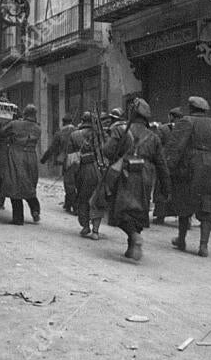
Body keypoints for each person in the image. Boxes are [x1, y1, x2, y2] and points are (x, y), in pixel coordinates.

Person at [100, 98, 171, 260]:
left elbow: (107, 151)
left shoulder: (121, 131)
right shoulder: (154, 137)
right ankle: (132, 245)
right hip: (146, 175)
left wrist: (118, 153)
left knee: (121, 210)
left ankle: (134, 236)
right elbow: (161, 164)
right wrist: (166, 188)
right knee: (139, 211)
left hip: (125, 172)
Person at [165, 96, 211, 257]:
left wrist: (168, 168)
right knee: (207, 207)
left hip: (191, 167)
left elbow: (175, 147)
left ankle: (181, 239)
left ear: (191, 108)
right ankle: (203, 246)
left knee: (183, 202)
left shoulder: (186, 121)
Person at [1, 104, 42, 224]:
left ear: (24, 114)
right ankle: (35, 210)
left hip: (16, 155)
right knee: (29, 184)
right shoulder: (38, 128)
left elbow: (2, 132)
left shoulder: (15, 124)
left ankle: (18, 218)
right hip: (31, 156)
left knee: (15, 184)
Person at [67, 111, 100, 236]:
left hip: (81, 170)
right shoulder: (98, 134)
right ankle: (96, 230)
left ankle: (85, 226)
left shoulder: (74, 135)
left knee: (83, 198)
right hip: (98, 169)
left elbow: (70, 157)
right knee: (97, 199)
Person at [40, 113, 77, 213]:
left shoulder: (60, 133)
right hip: (79, 159)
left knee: (69, 183)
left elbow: (52, 148)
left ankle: (74, 206)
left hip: (67, 159)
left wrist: (44, 159)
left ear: (63, 122)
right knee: (76, 182)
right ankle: (68, 203)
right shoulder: (78, 131)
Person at [152, 107, 183, 225]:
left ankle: (160, 216)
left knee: (161, 188)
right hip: (180, 164)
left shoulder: (163, 129)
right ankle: (184, 218)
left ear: (170, 116)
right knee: (180, 190)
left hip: (165, 163)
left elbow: (157, 144)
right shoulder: (185, 128)